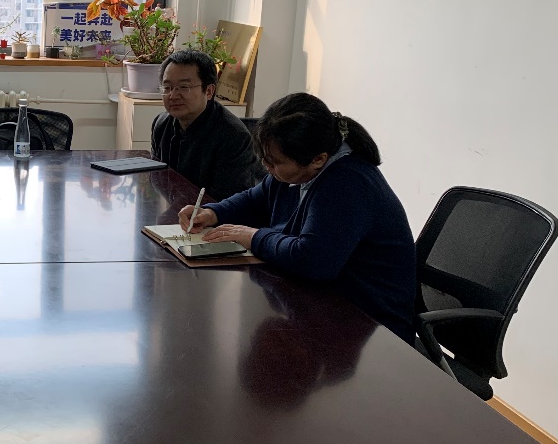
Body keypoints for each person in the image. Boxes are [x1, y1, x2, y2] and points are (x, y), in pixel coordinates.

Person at [179, 92, 417, 345]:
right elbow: (257, 198)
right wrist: (214, 212)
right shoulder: (297, 170)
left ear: (318, 160)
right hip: (322, 303)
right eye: (265, 159)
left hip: (371, 329)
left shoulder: (347, 184)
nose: (266, 167)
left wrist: (254, 237)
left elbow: (312, 260)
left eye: (274, 162)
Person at [150, 49, 256, 201]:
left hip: (210, 213)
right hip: (175, 209)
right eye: (167, 87)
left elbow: (229, 202)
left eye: (184, 87)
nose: (173, 95)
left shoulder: (234, 137)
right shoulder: (161, 124)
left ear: (209, 91)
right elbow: (157, 180)